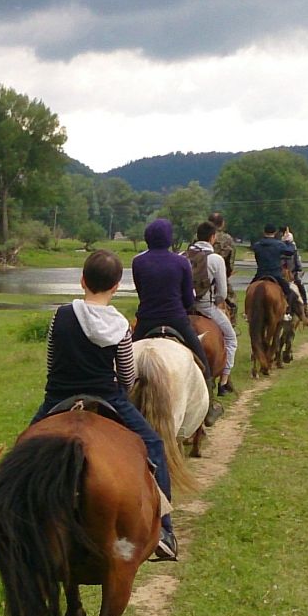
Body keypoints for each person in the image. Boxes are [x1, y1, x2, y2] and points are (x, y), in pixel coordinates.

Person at [34, 250, 179, 560]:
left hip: (58, 397)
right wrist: (120, 391)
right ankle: (165, 529)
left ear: (82, 281)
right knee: (153, 444)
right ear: (115, 286)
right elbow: (127, 375)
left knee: (24, 450)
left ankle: (16, 518)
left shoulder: (60, 315)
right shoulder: (120, 326)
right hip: (107, 396)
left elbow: (50, 361)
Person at [131, 219, 215, 381]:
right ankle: (209, 397)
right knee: (202, 361)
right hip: (176, 319)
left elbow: (141, 292)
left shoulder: (138, 262)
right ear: (169, 238)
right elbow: (189, 299)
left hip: (146, 320)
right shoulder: (181, 262)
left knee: (124, 361)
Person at [187, 222, 237, 395]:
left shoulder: (182, 255)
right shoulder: (216, 259)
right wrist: (215, 304)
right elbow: (222, 292)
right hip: (205, 307)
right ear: (212, 237)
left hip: (183, 308)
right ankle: (223, 382)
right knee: (231, 338)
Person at [249, 225, 305, 320]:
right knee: (288, 291)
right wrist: (289, 242)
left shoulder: (257, 245)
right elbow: (290, 251)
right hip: (275, 274)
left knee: (250, 290)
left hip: (260, 274)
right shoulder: (279, 244)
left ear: (264, 232)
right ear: (275, 233)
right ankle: (286, 311)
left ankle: (248, 312)